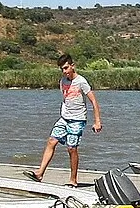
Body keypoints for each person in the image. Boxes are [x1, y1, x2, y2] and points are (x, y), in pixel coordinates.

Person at [30, 53, 100, 185]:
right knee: (51, 141)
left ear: (73, 66)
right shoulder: (63, 82)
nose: (65, 71)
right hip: (64, 118)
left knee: (71, 148)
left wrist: (97, 121)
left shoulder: (81, 82)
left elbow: (94, 101)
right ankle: (40, 173)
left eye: (66, 68)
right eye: (62, 69)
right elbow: (65, 99)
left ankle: (73, 180)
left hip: (77, 120)